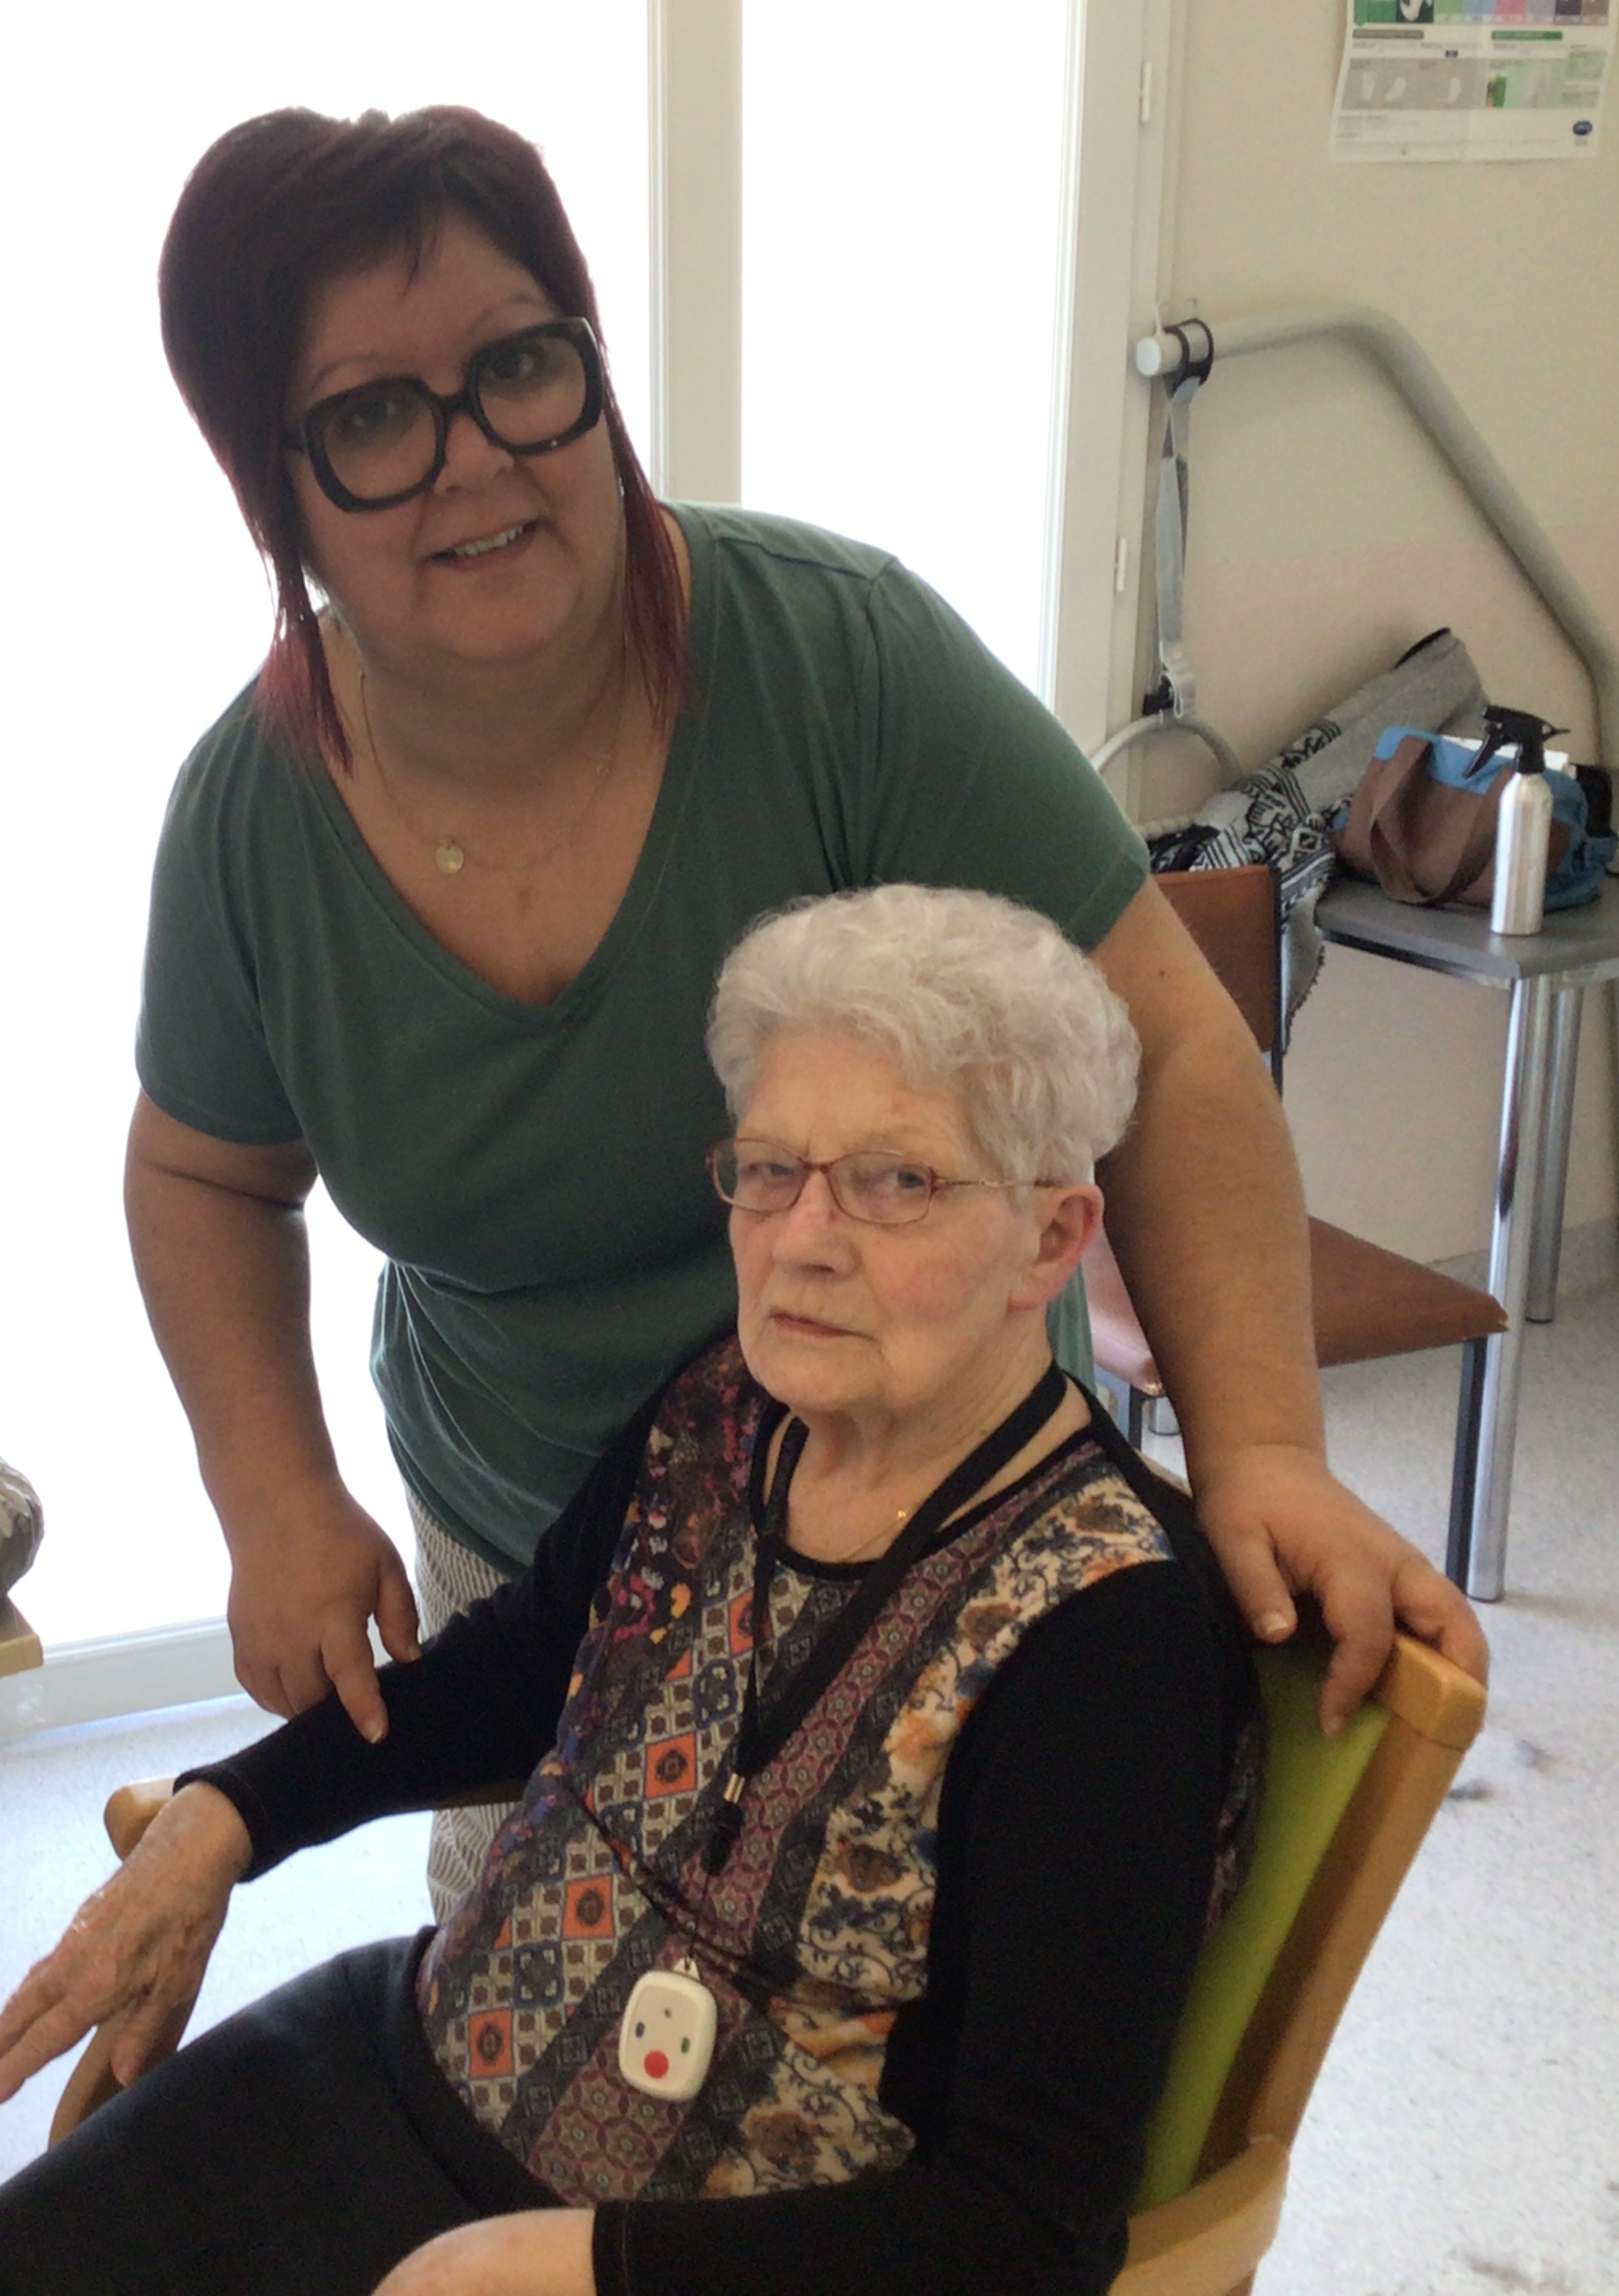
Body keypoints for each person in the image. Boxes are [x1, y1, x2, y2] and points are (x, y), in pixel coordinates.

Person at [129, 106, 1483, 1911]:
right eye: (373, 414)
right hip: (523, 1540)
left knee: (887, 1999)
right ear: (272, 485)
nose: (477, 458)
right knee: (535, 1973)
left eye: (521, 365)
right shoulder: (249, 823)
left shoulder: (842, 665)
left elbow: (1166, 1046)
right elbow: (203, 1176)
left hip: (925, 1500)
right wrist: (274, 1497)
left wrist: (1263, 1455)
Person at [0, 885, 1262, 2296]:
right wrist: (231, 1811)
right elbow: (519, 1667)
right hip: (408, 2060)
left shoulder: (1108, 1635)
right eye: (769, 1169)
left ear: (1051, 1238)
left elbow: (1027, 2229)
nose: (802, 1238)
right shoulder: (726, 1415)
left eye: (896, 1182)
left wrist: (576, 2265)